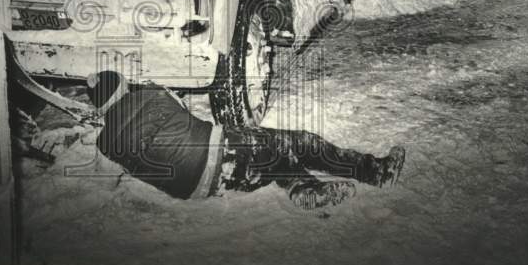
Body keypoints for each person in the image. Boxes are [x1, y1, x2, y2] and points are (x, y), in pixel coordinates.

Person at [86, 71, 405, 211]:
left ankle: (299, 183)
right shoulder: (152, 93)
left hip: (193, 190)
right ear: (123, 87)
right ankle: (367, 173)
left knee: (270, 155)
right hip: (218, 150)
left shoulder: (105, 145)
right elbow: (180, 112)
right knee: (292, 143)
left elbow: (106, 182)